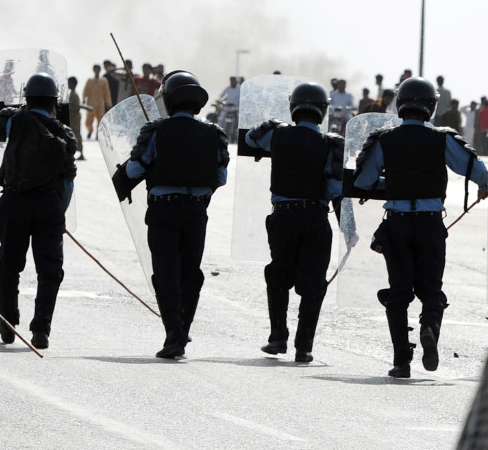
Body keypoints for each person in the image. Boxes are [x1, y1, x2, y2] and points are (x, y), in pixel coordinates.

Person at [352, 77, 488, 378]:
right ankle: (429, 326)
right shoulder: (443, 139)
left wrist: (393, 183)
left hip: (397, 225)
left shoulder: (385, 139)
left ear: (400, 104)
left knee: (399, 292)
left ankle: (401, 361)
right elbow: (477, 170)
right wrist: (483, 186)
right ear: (431, 106)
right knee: (432, 291)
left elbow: (363, 181)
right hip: (430, 225)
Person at [113, 71, 229, 359]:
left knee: (165, 273)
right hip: (196, 212)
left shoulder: (156, 132)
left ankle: (173, 332)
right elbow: (221, 176)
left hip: (164, 210)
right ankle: (182, 329)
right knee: (191, 273)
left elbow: (135, 170)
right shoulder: (213, 134)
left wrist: (127, 167)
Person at [243, 82, 347, 363]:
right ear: (323, 111)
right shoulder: (332, 144)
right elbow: (336, 188)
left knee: (278, 274)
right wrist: (347, 227)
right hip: (315, 217)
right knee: (313, 283)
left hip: (284, 215)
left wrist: (274, 123)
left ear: (293, 108)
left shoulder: (277, 134)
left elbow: (252, 140)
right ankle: (304, 346)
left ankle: (277, 337)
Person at [0, 73, 77, 349]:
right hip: (49, 205)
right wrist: (57, 213)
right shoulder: (64, 133)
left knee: (8, 262)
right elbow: (68, 181)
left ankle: (7, 320)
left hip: (15, 201)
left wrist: (10, 110)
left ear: (26, 98)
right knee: (49, 269)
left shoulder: (15, 120)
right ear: (54, 101)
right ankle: (41, 329)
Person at [82, 63, 111, 139]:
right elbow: (85, 90)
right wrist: (83, 98)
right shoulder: (90, 81)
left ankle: (98, 135)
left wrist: (108, 103)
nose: (97, 71)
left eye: (98, 69)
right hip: (91, 103)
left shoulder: (103, 81)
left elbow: (107, 92)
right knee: (89, 120)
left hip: (101, 103)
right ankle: (90, 130)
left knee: (100, 120)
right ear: (94, 70)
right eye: (96, 69)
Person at [68, 76, 84, 160]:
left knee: (77, 134)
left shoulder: (74, 94)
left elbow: (76, 107)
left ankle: (81, 152)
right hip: (73, 118)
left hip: (75, 118)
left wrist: (69, 107)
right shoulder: (72, 93)